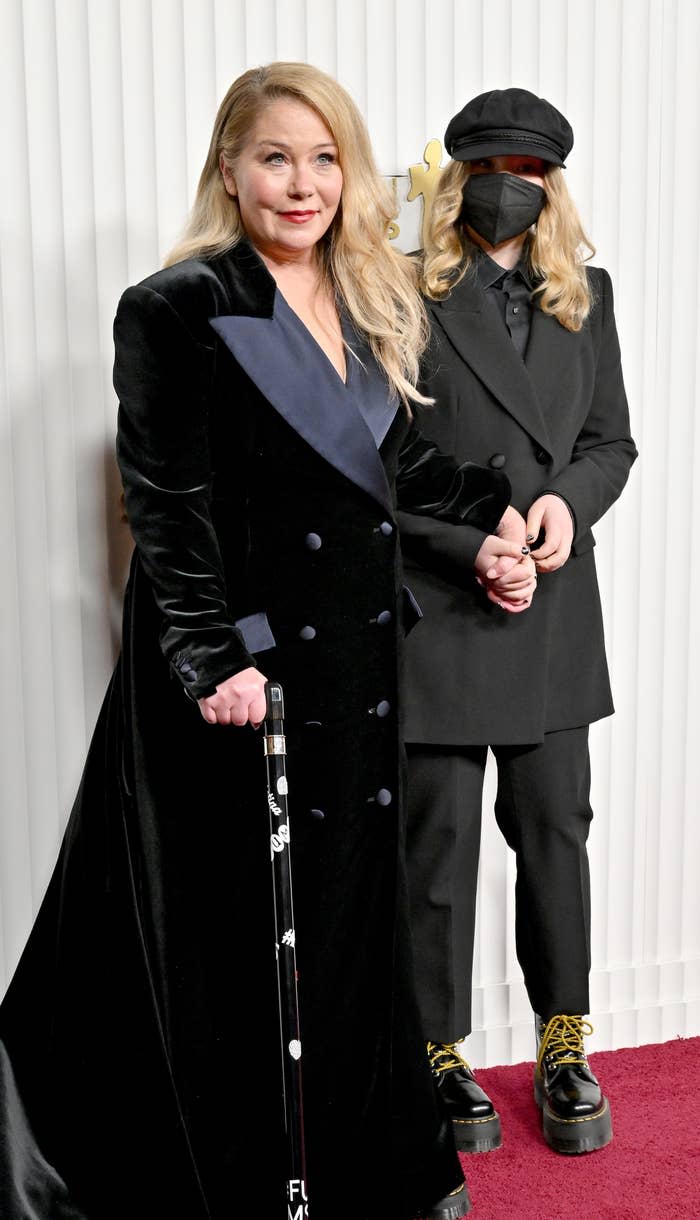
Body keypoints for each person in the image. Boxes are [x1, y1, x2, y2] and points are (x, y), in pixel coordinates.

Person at [0, 63, 525, 1220]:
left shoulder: (361, 292)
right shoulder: (175, 305)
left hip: (350, 670)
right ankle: (229, 1176)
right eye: (277, 157)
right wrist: (214, 656)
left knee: (343, 917)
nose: (303, 182)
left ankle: (361, 1162)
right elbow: (167, 505)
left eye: (325, 157)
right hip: (241, 678)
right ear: (230, 169)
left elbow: (387, 463)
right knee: (235, 933)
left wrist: (496, 514)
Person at [399, 87, 637, 1158]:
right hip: (442, 605)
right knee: (436, 846)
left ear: (553, 184)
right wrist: (472, 541)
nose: (509, 186)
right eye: (490, 164)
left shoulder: (587, 293)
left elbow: (606, 443)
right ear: (458, 176)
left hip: (552, 604)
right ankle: (434, 1052)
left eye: (529, 171)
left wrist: (563, 508)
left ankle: (562, 1040)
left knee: (554, 834)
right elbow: (375, 462)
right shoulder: (395, 293)